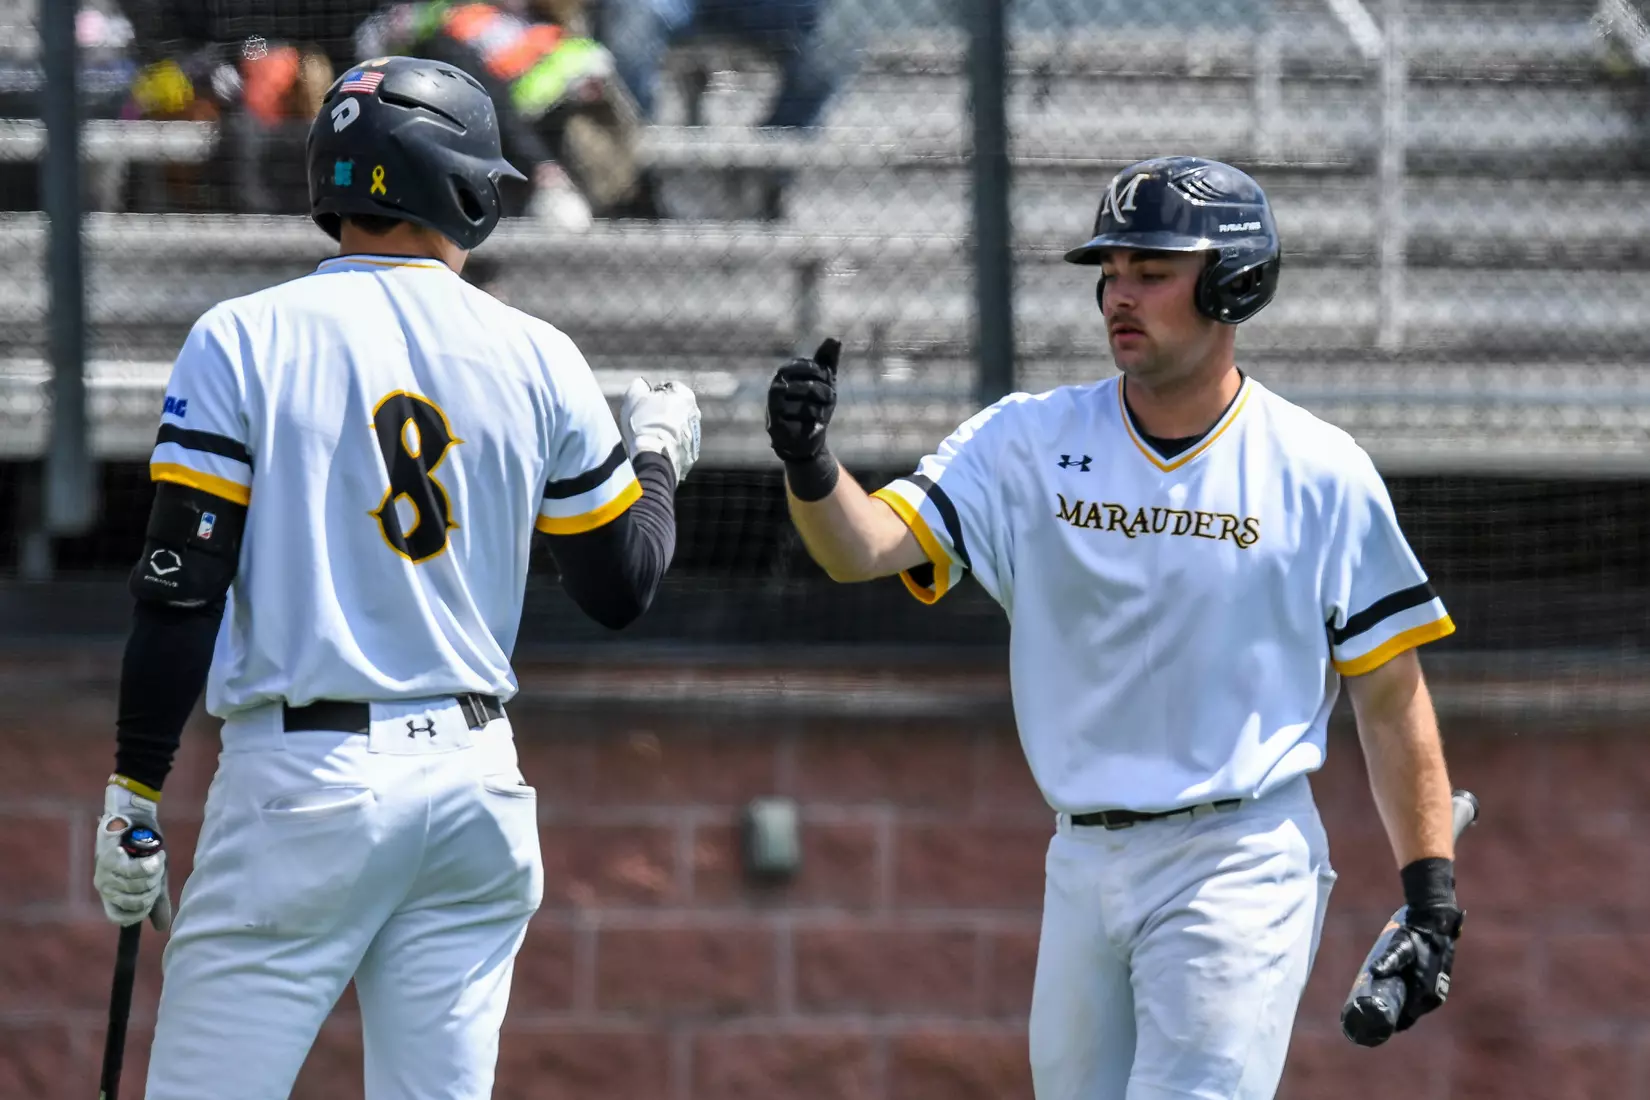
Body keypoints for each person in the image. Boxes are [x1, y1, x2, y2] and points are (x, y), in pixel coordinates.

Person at [764, 156, 1465, 1099]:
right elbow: (864, 547)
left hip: (1238, 861)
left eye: (1153, 271)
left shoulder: (1319, 469)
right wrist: (810, 462)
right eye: (1112, 271)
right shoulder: (1022, 440)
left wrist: (1432, 900)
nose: (1119, 295)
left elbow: (1391, 698)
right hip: (1083, 860)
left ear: (1235, 282)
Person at [89, 55, 701, 1099]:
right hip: (473, 785)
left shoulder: (241, 335)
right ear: (461, 184)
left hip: (303, 783)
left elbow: (179, 589)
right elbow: (621, 584)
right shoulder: (539, 351)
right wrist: (656, 457)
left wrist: (135, 792)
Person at [354, 0, 644, 228]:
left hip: (541, 124)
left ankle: (624, 200)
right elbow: (369, 49)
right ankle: (544, 174)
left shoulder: (541, 22)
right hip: (464, 126)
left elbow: (589, 60)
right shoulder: (435, 20)